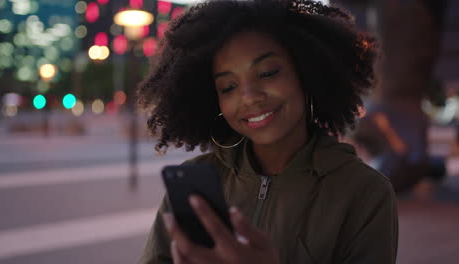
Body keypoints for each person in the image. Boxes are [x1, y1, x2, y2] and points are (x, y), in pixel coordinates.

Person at [136, 0, 398, 263]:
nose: (249, 97)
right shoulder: (194, 189)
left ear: (305, 72)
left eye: (267, 72)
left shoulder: (365, 192)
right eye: (228, 87)